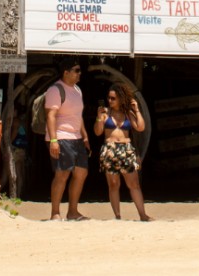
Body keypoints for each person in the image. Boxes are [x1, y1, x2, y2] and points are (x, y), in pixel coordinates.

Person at [93, 82, 150, 221]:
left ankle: (143, 215)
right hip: (110, 148)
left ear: (120, 98)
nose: (110, 101)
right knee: (113, 184)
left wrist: (136, 110)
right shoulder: (106, 113)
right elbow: (98, 131)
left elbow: (140, 127)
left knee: (134, 184)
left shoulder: (128, 113)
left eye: (113, 98)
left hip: (126, 149)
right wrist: (99, 117)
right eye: (109, 98)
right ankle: (117, 216)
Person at [44, 58, 89, 221]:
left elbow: (78, 115)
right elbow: (51, 115)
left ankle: (72, 211)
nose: (79, 73)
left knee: (81, 173)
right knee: (62, 174)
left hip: (76, 138)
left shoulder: (77, 90)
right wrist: (54, 140)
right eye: (76, 70)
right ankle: (55, 213)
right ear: (66, 72)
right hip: (61, 136)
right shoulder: (55, 90)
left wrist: (85, 136)